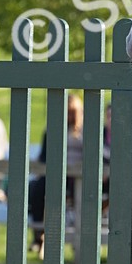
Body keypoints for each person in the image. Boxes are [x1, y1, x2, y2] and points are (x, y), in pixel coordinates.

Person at [28, 94, 84, 252]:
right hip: (55, 173)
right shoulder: (52, 130)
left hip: (77, 175)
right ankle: (38, 235)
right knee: (36, 188)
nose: (69, 116)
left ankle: (76, 238)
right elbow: (43, 156)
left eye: (72, 112)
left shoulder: (85, 131)